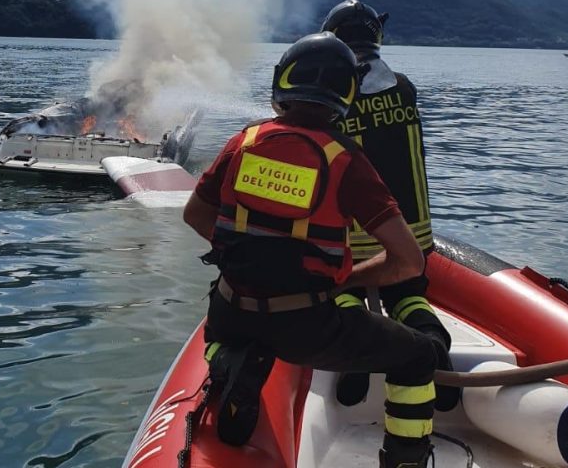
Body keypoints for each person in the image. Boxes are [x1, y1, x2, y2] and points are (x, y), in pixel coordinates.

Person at [183, 32, 438, 467]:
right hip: (303, 326)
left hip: (231, 312)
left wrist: (239, 256)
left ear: (282, 82)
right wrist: (347, 277)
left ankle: (229, 361)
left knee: (223, 331)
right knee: (418, 355)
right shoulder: (347, 161)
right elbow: (407, 261)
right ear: (347, 95)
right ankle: (406, 459)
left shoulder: (243, 142)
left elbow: (196, 215)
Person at [320, 0, 457, 411]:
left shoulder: (333, 96)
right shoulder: (404, 87)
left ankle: (355, 349)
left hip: (351, 233)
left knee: (340, 291)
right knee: (409, 298)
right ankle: (431, 344)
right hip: (410, 232)